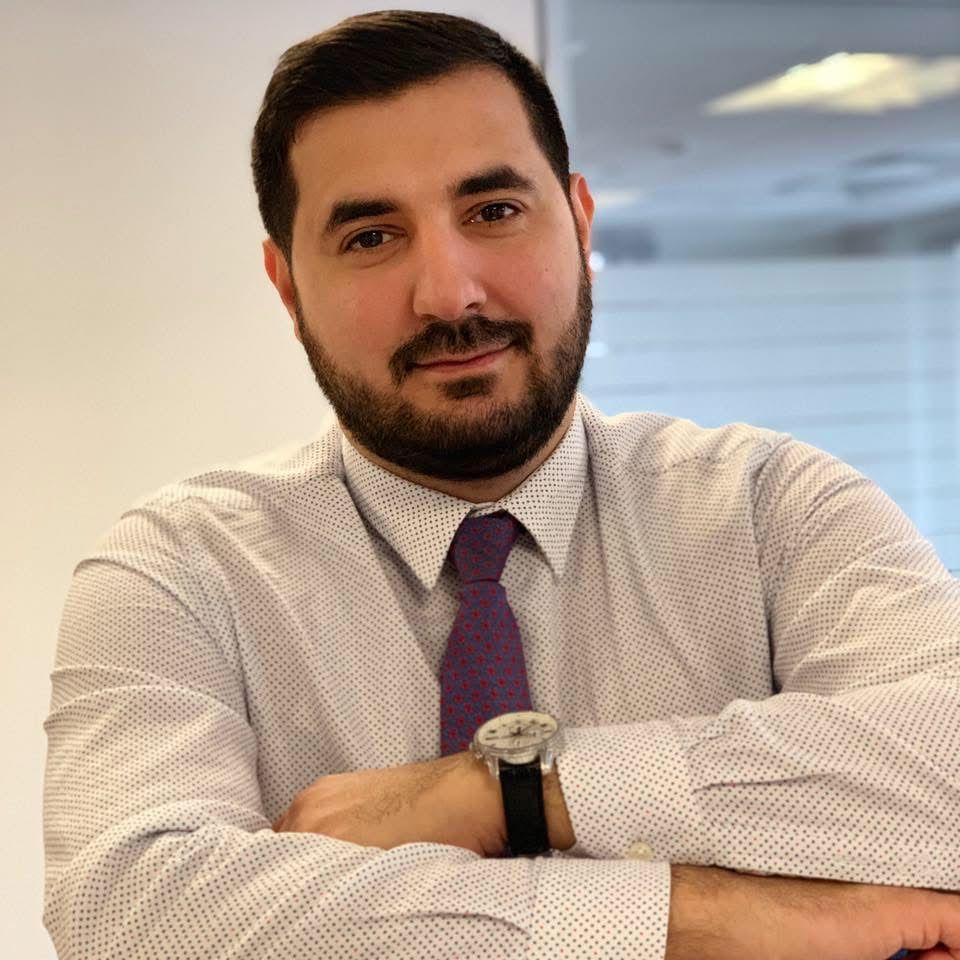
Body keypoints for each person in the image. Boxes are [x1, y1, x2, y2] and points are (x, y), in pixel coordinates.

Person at [43, 10, 960, 960]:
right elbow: (125, 910)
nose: (449, 294)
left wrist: (507, 791)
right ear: (287, 287)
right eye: (370, 236)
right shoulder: (180, 571)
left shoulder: (774, 509)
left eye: (493, 212)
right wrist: (708, 914)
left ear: (580, 220)